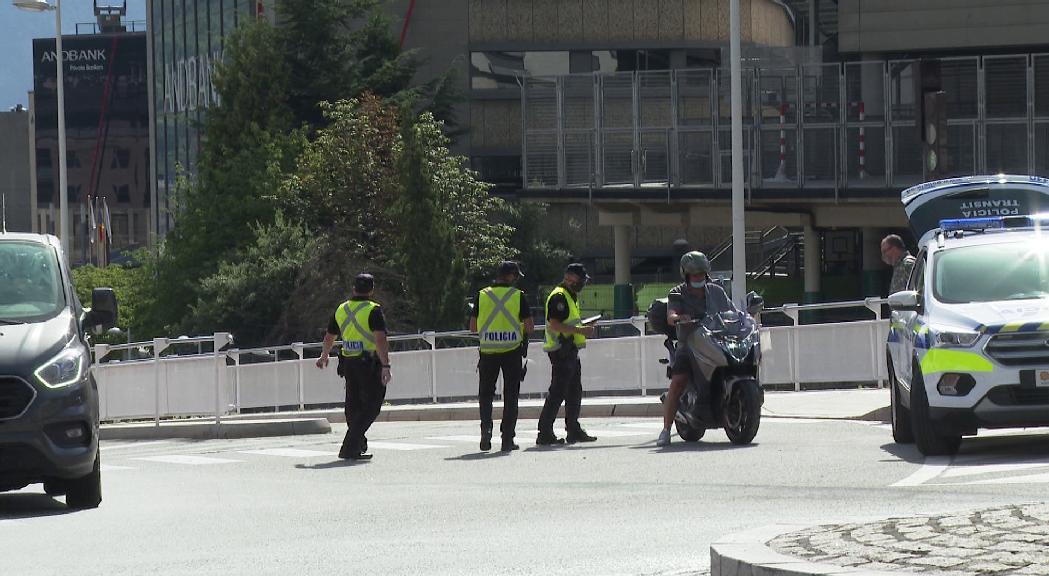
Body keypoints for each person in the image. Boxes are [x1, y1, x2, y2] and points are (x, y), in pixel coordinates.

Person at [656, 251, 735, 447]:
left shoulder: (717, 291)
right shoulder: (677, 293)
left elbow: (732, 312)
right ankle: (665, 430)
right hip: (689, 343)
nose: (699, 277)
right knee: (678, 381)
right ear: (686, 274)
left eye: (702, 274)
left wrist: (746, 318)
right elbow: (671, 315)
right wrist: (677, 318)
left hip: (716, 340)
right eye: (695, 274)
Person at [315, 273, 392, 461]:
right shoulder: (373, 310)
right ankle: (350, 446)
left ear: (353, 288)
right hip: (368, 363)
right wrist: (386, 365)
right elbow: (380, 339)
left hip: (349, 363)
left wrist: (324, 355)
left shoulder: (341, 309)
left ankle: (357, 444)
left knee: (353, 405)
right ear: (371, 290)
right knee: (372, 405)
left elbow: (329, 336)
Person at [469, 261, 534, 452]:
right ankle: (507, 439)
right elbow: (529, 327)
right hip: (512, 352)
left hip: (488, 352)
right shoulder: (518, 296)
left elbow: (473, 327)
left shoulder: (482, 295)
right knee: (511, 396)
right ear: (512, 276)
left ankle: (485, 433)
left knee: (486, 395)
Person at [537, 263, 597, 445]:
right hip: (561, 350)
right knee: (558, 392)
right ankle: (544, 432)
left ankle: (573, 429)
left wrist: (580, 329)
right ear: (571, 278)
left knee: (573, 391)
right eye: (581, 280)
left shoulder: (570, 296)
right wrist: (581, 331)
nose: (583, 284)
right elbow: (555, 324)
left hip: (569, 350)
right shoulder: (559, 297)